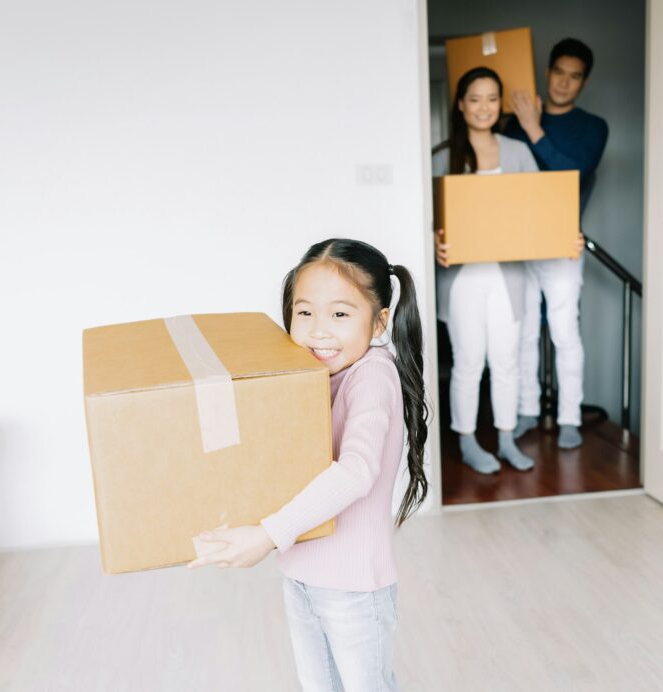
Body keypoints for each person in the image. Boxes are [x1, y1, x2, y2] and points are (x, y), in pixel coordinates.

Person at [189, 238, 428, 692]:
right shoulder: (311, 379)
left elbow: (355, 471)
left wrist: (266, 535)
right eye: (305, 313)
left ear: (379, 321)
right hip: (300, 574)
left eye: (340, 314)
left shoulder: (373, 375)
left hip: (353, 588)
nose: (319, 331)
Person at [434, 66, 541, 474]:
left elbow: (538, 209)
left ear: (501, 104)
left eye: (492, 99)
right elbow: (429, 219)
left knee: (506, 360)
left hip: (509, 275)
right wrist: (434, 241)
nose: (484, 107)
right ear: (461, 104)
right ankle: (467, 442)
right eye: (474, 99)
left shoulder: (517, 152)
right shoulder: (444, 156)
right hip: (463, 277)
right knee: (468, 362)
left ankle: (507, 438)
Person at [504, 37, 607, 449]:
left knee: (564, 333)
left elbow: (574, 173)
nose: (564, 83)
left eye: (575, 76)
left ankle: (568, 419)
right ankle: (528, 410)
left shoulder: (593, 127)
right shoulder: (512, 121)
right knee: (524, 333)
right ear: (547, 72)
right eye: (559, 72)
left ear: (584, 82)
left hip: (564, 243)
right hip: (517, 242)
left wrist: (534, 128)